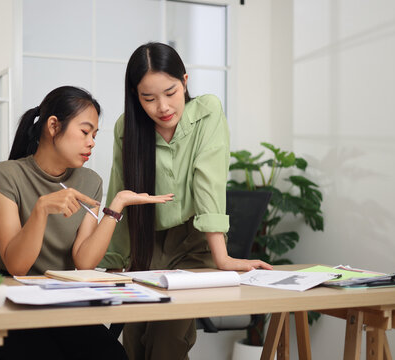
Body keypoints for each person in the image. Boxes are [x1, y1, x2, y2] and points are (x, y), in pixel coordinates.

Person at [98, 42, 273, 360]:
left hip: (196, 243)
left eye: (170, 92)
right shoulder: (128, 127)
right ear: (136, 97)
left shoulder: (206, 111)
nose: (162, 107)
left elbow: (209, 181)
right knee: (135, 340)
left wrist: (222, 259)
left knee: (168, 339)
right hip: (146, 243)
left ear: (185, 82)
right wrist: (113, 264)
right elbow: (121, 192)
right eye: (148, 98)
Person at [0, 86, 173, 360]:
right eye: (85, 132)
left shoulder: (89, 181)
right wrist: (41, 210)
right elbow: (17, 266)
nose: (92, 142)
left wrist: (115, 206)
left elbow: (84, 261)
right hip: (14, 298)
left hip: (63, 296)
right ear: (53, 126)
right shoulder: (5, 176)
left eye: (94, 135)